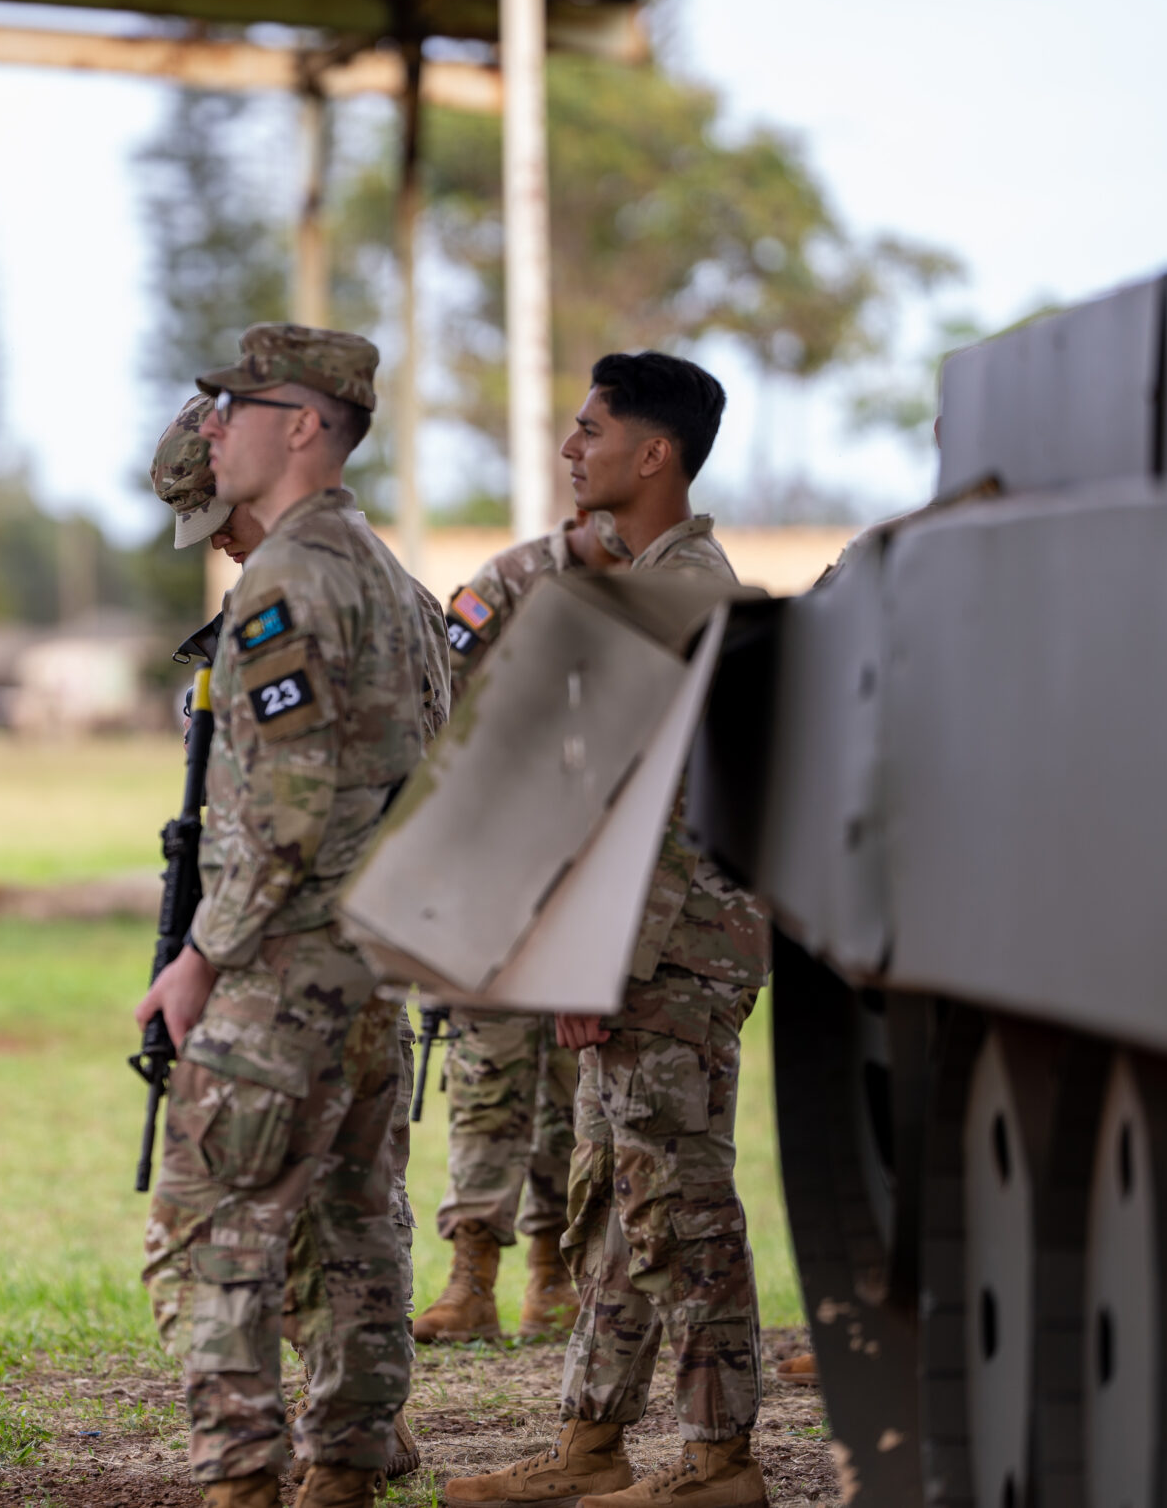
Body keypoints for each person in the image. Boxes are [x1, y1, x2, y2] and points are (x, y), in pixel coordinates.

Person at [444, 351, 773, 1508]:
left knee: (679, 1207)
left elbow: (653, 819)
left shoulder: (683, 592)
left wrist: (594, 962)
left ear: (654, 453)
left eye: (590, 431)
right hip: (642, 950)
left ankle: (721, 1460)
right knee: (616, 1204)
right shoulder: (641, 582)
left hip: (665, 958)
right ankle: (591, 1442)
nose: (569, 449)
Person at [137, 327, 447, 1508]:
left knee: (208, 1233)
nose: (214, 427)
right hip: (371, 958)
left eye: (236, 407)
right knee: (356, 1224)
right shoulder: (383, 574)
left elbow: (290, 802)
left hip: (284, 965)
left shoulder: (288, 582)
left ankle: (243, 1484)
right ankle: (348, 1468)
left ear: (304, 426)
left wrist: (203, 955)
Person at [411, 511, 616, 1348]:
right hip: (494, 869)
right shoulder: (510, 582)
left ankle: (551, 1275)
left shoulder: (658, 579)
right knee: (487, 1070)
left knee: (575, 1079)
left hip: (593, 868)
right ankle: (472, 1280)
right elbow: (441, 704)